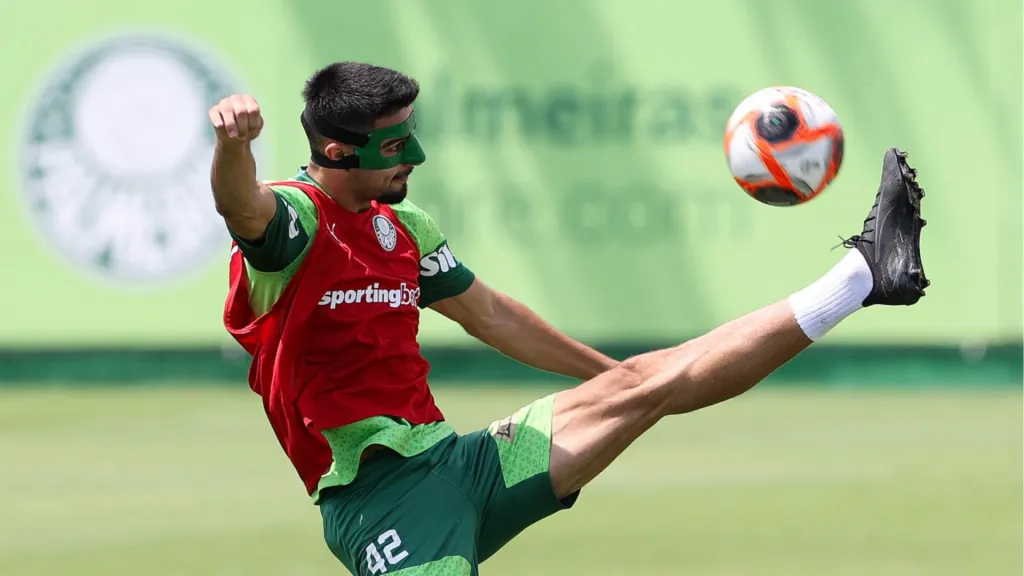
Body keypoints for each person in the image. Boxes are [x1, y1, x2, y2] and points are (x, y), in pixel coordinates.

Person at [210, 61, 929, 576]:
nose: (415, 157)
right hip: (383, 506)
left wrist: (618, 380)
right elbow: (242, 206)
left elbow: (494, 317)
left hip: (465, 464)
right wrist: (234, 145)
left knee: (652, 382)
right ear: (339, 153)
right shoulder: (296, 223)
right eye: (396, 146)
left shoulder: (408, 229)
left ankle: (866, 272)